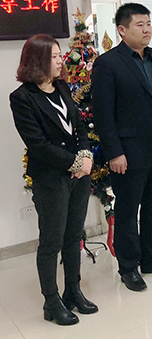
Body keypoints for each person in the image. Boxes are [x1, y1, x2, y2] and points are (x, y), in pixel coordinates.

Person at [92, 3, 152, 292]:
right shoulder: (108, 63)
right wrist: (114, 152)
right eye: (140, 25)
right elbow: (103, 114)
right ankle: (129, 266)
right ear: (122, 30)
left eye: (149, 24)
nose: (147, 30)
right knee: (128, 211)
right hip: (129, 152)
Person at [10, 34, 98, 325]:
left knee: (74, 236)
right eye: (55, 56)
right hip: (51, 179)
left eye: (61, 55)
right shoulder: (22, 98)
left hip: (78, 176)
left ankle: (73, 291)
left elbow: (79, 125)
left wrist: (85, 154)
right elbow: (38, 145)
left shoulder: (61, 87)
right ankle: (51, 301)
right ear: (37, 60)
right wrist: (75, 163)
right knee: (51, 242)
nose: (62, 60)